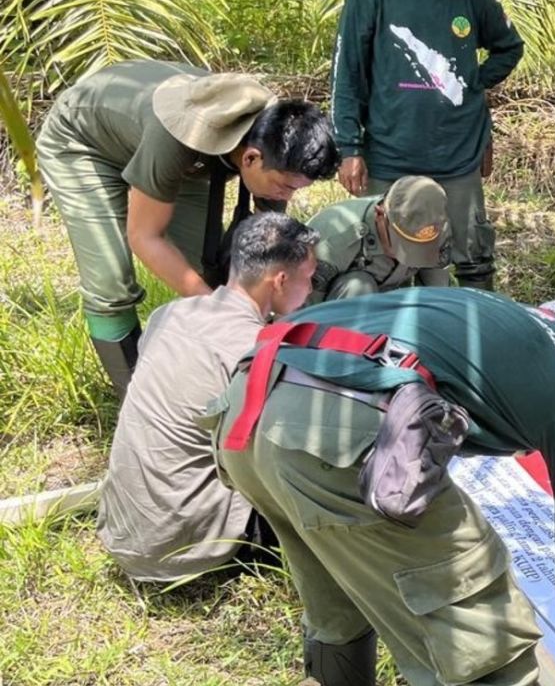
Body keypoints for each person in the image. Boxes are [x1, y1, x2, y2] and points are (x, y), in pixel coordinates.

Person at [210, 266, 555, 686]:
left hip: (247, 403)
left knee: (338, 588)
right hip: (331, 427)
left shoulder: (497, 315)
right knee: (482, 623)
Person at [36, 60, 339, 398]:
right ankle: (135, 399)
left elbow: (265, 249)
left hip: (191, 158)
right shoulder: (177, 138)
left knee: (211, 272)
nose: (287, 197)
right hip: (85, 143)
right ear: (250, 159)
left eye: (296, 189)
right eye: (285, 187)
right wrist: (223, 313)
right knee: (111, 287)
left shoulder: (280, 138)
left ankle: (225, 382)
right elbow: (144, 236)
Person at [96, 212, 319, 582]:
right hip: (186, 546)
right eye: (309, 277)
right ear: (279, 281)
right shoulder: (255, 351)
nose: (311, 288)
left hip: (125, 530)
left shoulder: (168, 314)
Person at [331, 0, 524, 291]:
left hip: (457, 156)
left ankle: (475, 337)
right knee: (383, 259)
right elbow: (347, 74)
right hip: (388, 155)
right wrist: (349, 147)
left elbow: (510, 46)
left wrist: (476, 82)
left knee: (471, 258)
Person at [305, 176, 451, 304]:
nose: (406, 257)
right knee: (358, 286)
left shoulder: (435, 230)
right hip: (339, 314)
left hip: (391, 308)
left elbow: (436, 295)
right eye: (401, 245)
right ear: (380, 215)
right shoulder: (334, 240)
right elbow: (301, 310)